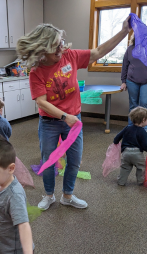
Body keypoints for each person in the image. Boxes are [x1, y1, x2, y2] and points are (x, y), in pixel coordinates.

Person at [17, 20, 131, 210]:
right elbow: (42, 101)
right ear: (44, 48)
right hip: (50, 123)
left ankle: (67, 196)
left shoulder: (69, 56)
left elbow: (98, 52)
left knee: (74, 161)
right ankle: (49, 195)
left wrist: (123, 32)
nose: (62, 47)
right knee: (49, 161)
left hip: (74, 122)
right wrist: (64, 117)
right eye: (56, 45)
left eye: (62, 43)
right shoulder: (36, 71)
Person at [113, 106, 147, 185]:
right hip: (137, 154)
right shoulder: (142, 131)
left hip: (125, 153)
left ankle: (121, 182)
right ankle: (140, 181)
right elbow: (145, 144)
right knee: (141, 168)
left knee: (125, 168)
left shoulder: (127, 128)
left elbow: (116, 138)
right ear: (143, 120)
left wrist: (116, 142)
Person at [121, 32, 147, 127]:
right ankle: (131, 127)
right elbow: (125, 66)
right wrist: (123, 81)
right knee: (133, 105)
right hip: (131, 81)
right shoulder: (130, 49)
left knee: (144, 104)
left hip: (146, 82)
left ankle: (144, 128)